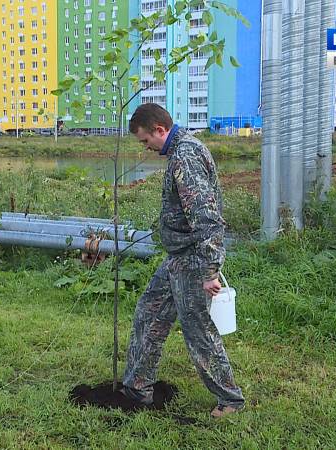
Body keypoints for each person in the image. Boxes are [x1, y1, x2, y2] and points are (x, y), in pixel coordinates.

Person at [120, 104, 244, 418]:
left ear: (160, 129)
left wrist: (210, 270)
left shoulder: (186, 157)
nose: (146, 148)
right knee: (149, 312)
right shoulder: (178, 151)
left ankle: (230, 400)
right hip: (178, 257)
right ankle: (138, 387)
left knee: (198, 332)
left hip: (194, 260)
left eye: (146, 141)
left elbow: (208, 219)